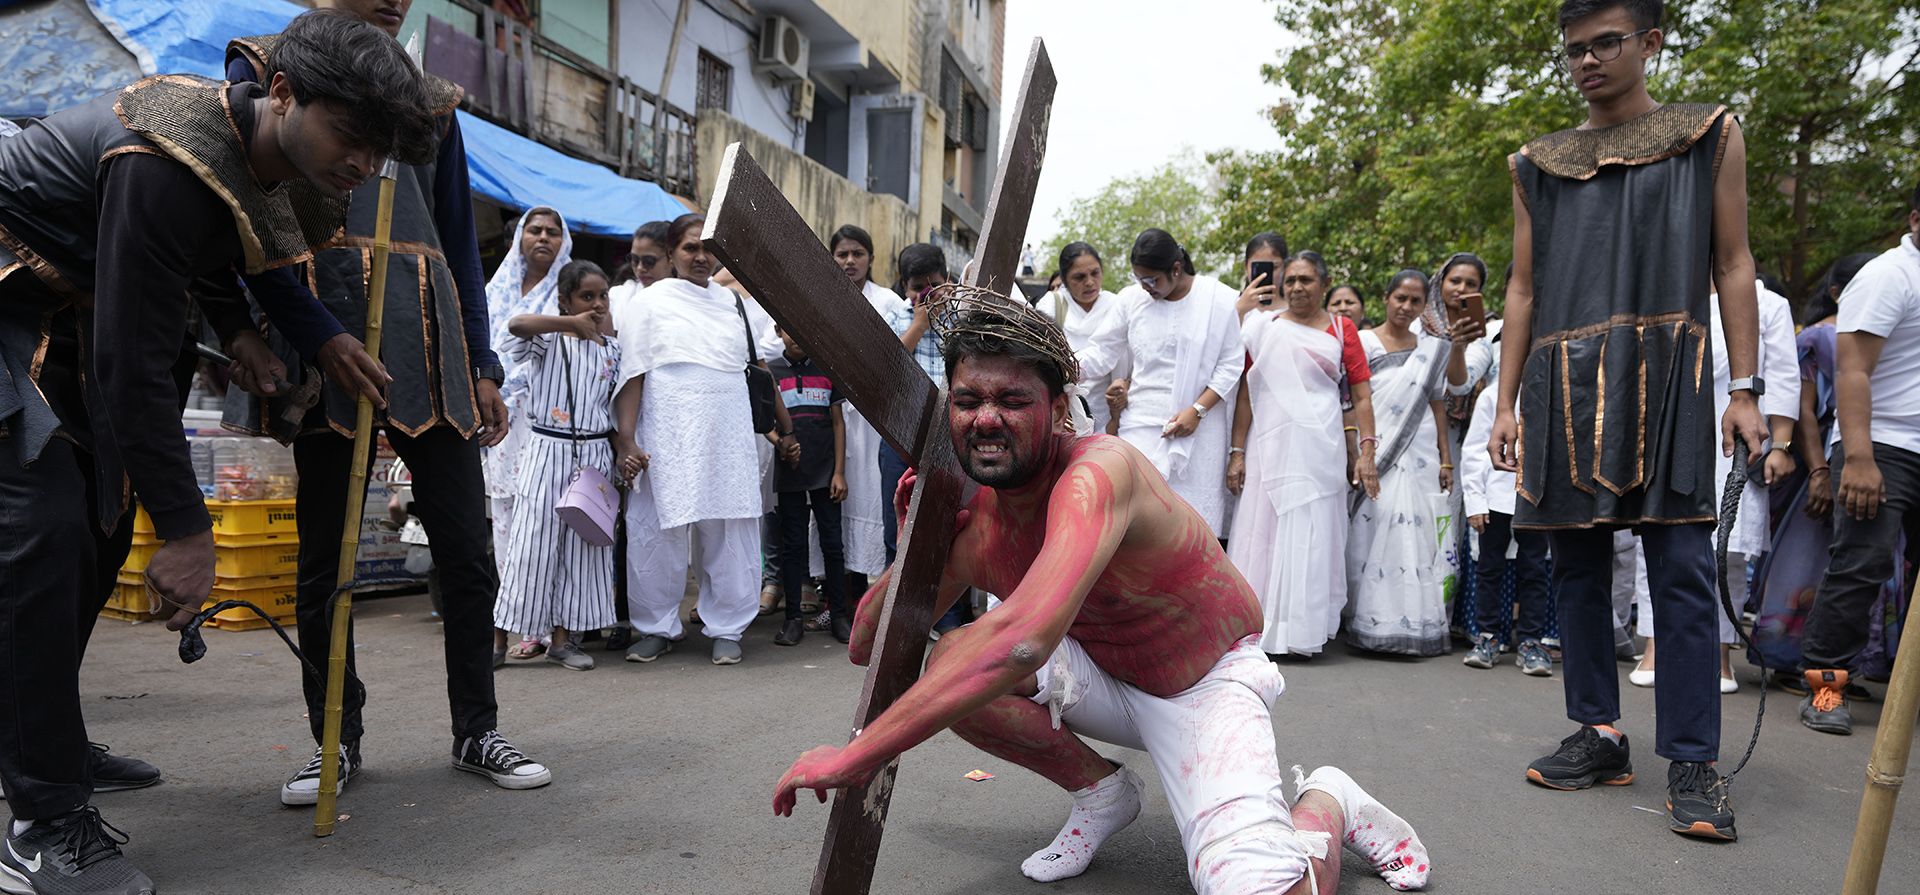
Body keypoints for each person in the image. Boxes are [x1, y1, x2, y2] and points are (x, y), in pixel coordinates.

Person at [772, 290, 1430, 894]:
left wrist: (856, 755)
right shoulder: (979, 529)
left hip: (1204, 683)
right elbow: (869, 642)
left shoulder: (1098, 473)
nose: (986, 419)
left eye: (1013, 400)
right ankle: (1101, 791)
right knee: (951, 660)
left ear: (1058, 410)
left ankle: (1327, 799)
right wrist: (914, 539)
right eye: (969, 400)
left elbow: (1024, 640)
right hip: (1102, 675)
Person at [0, 10, 434, 892]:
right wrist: (191, 530)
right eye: (351, 137)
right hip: (13, 294)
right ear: (282, 92)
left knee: (100, 526)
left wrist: (293, 335)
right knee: (44, 531)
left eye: (378, 150)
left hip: (69, 309)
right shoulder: (165, 160)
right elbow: (132, 360)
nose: (362, 164)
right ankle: (42, 822)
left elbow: (241, 248)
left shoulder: (269, 155)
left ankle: (43, 736)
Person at [224, 1, 548, 808]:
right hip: (322, 317)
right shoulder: (262, 66)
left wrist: (482, 361)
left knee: (468, 551)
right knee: (324, 558)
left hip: (431, 333)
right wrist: (246, 324)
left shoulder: (432, 98)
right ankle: (334, 737)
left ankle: (477, 727)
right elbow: (238, 213)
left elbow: (458, 240)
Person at [1489, 0, 1770, 841]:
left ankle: (1692, 757)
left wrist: (1746, 387)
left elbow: (1733, 261)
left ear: (1649, 42)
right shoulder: (1538, 162)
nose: (1586, 61)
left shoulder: (1707, 134)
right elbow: (1523, 288)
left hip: (1669, 374)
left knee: (1680, 565)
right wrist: (1504, 402)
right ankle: (1599, 732)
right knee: (1573, 564)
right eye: (1573, 49)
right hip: (1561, 384)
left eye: (1604, 43)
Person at [615, 213, 793, 666]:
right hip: (666, 433)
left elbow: (756, 372)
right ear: (672, 253)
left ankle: (728, 625)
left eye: (707, 248)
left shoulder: (730, 304)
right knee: (657, 528)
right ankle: (656, 626)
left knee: (731, 526)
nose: (700, 257)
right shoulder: (649, 303)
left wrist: (781, 429)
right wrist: (628, 439)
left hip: (726, 435)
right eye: (690, 248)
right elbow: (633, 374)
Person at [1633, 279, 1800, 693]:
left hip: (1741, 438)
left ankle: (1719, 653)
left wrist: (1780, 444)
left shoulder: (1768, 303)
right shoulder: (1667, 289)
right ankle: (1655, 646)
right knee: (1654, 539)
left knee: (1729, 548)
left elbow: (1783, 374)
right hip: (1669, 433)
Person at [1796, 183, 1920, 735]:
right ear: (1915, 218)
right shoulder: (1890, 274)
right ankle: (1826, 688)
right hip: (1884, 446)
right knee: (1860, 566)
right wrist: (1861, 458)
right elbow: (1851, 370)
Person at [1229, 246, 1381, 658]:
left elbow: (1363, 397)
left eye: (1306, 280)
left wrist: (1366, 451)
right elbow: (1246, 392)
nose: (1296, 287)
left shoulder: (1342, 329)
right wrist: (1237, 450)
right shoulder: (1263, 328)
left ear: (1324, 284)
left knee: (1314, 533)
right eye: (1291, 279)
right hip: (1270, 446)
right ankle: (1257, 627)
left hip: (1321, 446)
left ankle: (1301, 631)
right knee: (1264, 531)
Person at [492, 261, 628, 671]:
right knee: (530, 547)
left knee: (582, 549)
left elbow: (612, 406)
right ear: (565, 300)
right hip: (547, 448)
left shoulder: (613, 350)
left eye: (603, 296)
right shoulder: (549, 339)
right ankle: (498, 641)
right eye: (587, 296)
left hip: (594, 457)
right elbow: (516, 325)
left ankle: (563, 640)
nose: (598, 304)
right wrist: (568, 324)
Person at [1752, 252, 1877, 680]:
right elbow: (1805, 409)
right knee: (1802, 557)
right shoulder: (1816, 340)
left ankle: (1848, 665)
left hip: (1869, 457)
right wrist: (1819, 470)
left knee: (1853, 560)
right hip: (1817, 460)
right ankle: (1786, 658)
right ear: (1837, 293)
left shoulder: (1882, 337)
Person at [1077, 229, 1243, 536]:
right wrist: (1061, 367)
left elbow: (1231, 363)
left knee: (1192, 535)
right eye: (1140, 279)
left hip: (1199, 432)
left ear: (1176, 270)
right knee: (1133, 528)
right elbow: (1102, 350)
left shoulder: (1217, 300)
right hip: (1140, 425)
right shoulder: (1132, 300)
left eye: (1153, 280)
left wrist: (1197, 411)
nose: (1146, 287)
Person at [1347, 265, 1472, 657]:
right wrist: (1357, 452)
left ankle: (1416, 623)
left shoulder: (1432, 347)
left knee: (1416, 536)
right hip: (1377, 449)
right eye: (1400, 298)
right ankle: (1366, 619)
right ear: (1386, 298)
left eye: (1415, 301)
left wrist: (1445, 459)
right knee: (1372, 529)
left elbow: (1440, 401)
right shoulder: (1364, 341)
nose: (1406, 306)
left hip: (1418, 453)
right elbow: (1352, 401)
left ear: (1424, 306)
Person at [482, 207, 573, 660]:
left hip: (545, 418)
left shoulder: (568, 294)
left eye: (552, 232)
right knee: (506, 523)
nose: (543, 238)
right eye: (534, 230)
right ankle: (518, 623)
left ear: (564, 241)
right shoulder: (494, 290)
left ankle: (551, 629)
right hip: (498, 417)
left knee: (546, 525)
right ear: (519, 237)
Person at [826, 225, 907, 610]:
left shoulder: (889, 302)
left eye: (857, 254)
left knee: (877, 499)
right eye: (842, 255)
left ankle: (879, 595)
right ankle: (843, 595)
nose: (849, 261)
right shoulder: (823, 298)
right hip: (838, 416)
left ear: (871, 258)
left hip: (879, 416)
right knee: (842, 500)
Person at [1460, 364, 1554, 674]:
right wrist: (1475, 501)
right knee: (1489, 568)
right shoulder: (1493, 397)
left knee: (1535, 570)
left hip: (1537, 497)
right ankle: (1487, 637)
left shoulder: (1552, 390)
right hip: (1496, 497)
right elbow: (1474, 450)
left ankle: (1530, 641)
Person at [768, 323, 851, 645]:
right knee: (793, 546)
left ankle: (839, 615)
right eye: (788, 329)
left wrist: (839, 472)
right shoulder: (771, 371)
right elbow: (765, 423)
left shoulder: (827, 369)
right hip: (790, 472)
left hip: (825, 472)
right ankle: (793, 620)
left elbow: (838, 423)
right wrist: (780, 444)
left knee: (832, 543)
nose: (796, 335)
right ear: (777, 331)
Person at [1039, 242, 1126, 434]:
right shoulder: (1052, 305)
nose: (1089, 282)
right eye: (1079, 277)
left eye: (1095, 273)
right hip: (1064, 417)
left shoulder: (1117, 305)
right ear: (1065, 279)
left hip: (1111, 414)